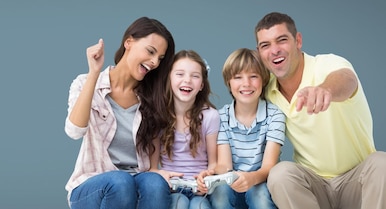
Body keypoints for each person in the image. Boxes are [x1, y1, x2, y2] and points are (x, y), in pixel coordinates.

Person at [254, 12, 386, 209]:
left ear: (298, 41)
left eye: (282, 40)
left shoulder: (326, 64)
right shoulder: (267, 91)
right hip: (314, 187)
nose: (274, 51)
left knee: (381, 162)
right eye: (266, 45)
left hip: (357, 182)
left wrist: (326, 90)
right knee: (280, 173)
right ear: (259, 52)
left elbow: (347, 79)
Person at [64, 16, 176, 209]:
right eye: (150, 51)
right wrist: (93, 73)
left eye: (160, 58)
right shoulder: (85, 83)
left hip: (136, 179)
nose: (154, 62)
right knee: (120, 182)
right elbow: (75, 131)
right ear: (129, 42)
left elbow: (155, 144)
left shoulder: (152, 96)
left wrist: (155, 171)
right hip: (92, 184)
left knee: (155, 183)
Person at [201, 48, 285, 209]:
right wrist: (212, 173)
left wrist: (251, 179)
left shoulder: (275, 115)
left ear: (264, 80)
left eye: (253, 76)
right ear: (229, 82)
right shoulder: (222, 117)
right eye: (238, 77)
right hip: (231, 182)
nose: (246, 84)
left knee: (259, 196)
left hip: (260, 181)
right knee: (220, 195)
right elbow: (225, 165)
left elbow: (269, 167)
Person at [148, 50, 219, 209]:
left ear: (201, 84)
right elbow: (152, 167)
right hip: (172, 189)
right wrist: (162, 176)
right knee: (178, 205)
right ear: (169, 79)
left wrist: (206, 178)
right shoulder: (158, 116)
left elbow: (214, 164)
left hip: (200, 189)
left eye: (195, 76)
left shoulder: (210, 116)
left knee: (199, 207)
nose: (187, 80)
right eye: (180, 74)